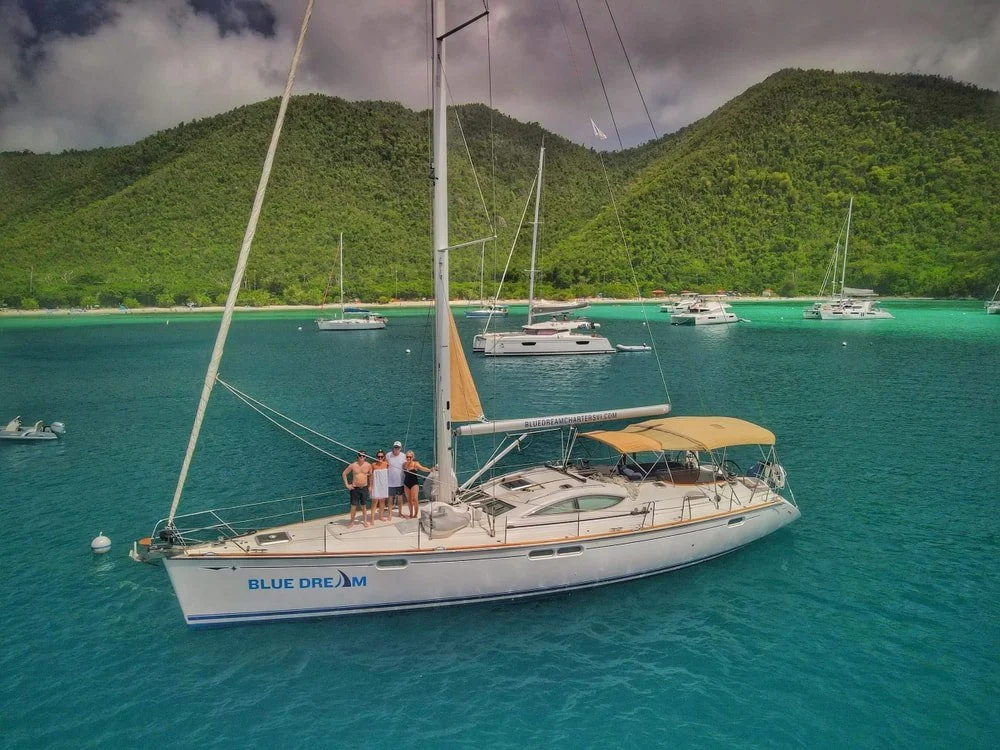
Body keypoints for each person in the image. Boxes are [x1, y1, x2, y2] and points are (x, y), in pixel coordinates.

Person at [342, 451, 373, 527]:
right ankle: (352, 521)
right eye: (360, 455)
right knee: (353, 506)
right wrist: (347, 485)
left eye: (363, 456)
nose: (362, 457)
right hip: (355, 488)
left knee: (364, 506)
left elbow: (371, 476)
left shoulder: (368, 465)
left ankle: (365, 521)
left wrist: (370, 486)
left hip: (364, 488)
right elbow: (344, 474)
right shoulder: (353, 465)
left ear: (365, 457)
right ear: (358, 456)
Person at [402, 451, 431, 519]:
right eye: (407, 457)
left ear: (413, 457)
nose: (408, 458)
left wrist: (430, 470)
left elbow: (423, 468)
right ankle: (411, 514)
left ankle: (415, 514)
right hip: (406, 483)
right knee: (409, 500)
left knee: (415, 500)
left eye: (410, 457)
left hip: (414, 483)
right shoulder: (404, 465)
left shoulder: (415, 464)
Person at [386, 440, 407, 518]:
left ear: (400, 448)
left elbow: (405, 466)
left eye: (398, 447)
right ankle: (390, 514)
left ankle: (400, 512)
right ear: (393, 447)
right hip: (390, 482)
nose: (396, 448)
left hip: (400, 481)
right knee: (390, 499)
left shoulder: (403, 456)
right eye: (395, 447)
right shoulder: (388, 455)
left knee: (400, 498)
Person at [370, 450, 390, 523]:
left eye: (381, 456)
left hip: (383, 485)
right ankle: (372, 519)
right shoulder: (373, 465)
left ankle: (381, 516)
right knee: (374, 502)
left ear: (384, 457)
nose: (380, 458)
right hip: (376, 485)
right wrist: (370, 486)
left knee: (382, 501)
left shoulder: (386, 464)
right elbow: (371, 476)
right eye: (378, 456)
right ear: (376, 457)